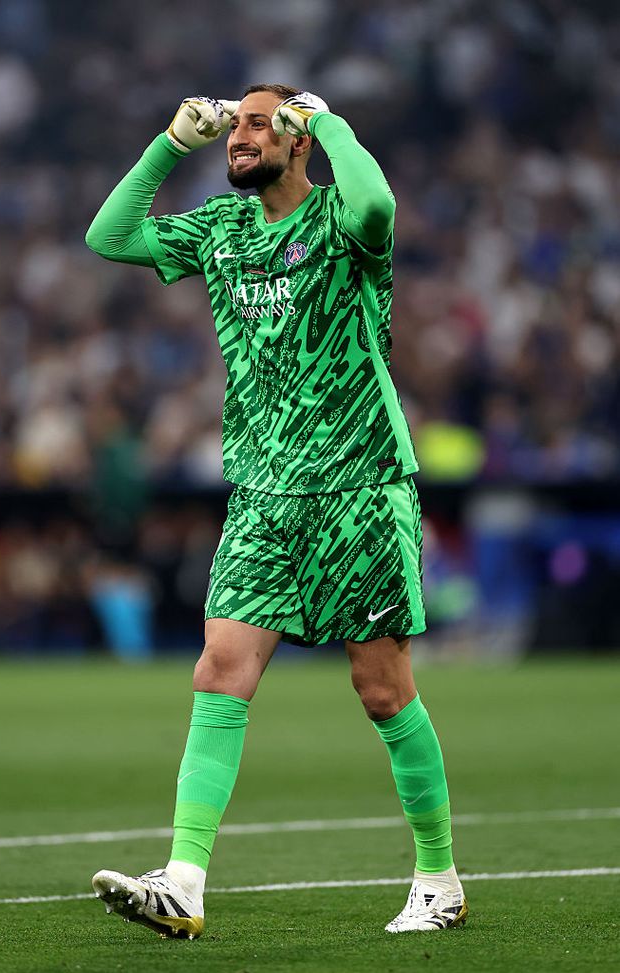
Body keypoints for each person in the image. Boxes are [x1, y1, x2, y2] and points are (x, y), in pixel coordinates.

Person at [85, 85, 468, 939]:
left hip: (358, 486)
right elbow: (107, 236)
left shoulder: (342, 220)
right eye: (233, 127)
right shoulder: (220, 231)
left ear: (295, 140)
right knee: (220, 667)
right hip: (260, 493)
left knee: (380, 689)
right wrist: (168, 143)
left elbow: (377, 201)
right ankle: (184, 878)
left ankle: (437, 876)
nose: (236, 137)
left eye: (256, 124)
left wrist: (326, 118)